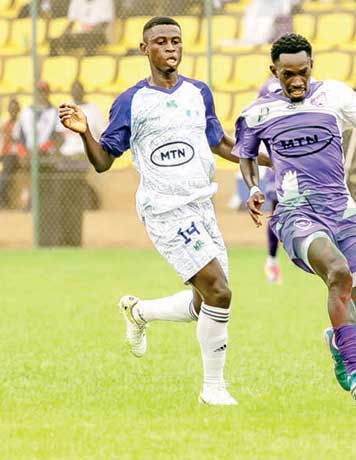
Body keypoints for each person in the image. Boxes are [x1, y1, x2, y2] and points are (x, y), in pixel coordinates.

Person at [58, 16, 258, 406]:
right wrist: (85, 133)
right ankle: (213, 389)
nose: (170, 48)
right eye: (161, 41)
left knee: (205, 302)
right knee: (219, 291)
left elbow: (220, 143)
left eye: (176, 41)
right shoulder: (131, 102)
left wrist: (268, 159)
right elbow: (103, 162)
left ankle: (140, 313)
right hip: (165, 210)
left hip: (201, 206)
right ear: (144, 49)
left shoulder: (198, 92)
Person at [235, 33, 356, 406]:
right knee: (337, 272)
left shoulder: (335, 95)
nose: (297, 81)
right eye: (288, 74)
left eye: (303, 72)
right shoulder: (257, 113)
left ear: (312, 66)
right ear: (274, 71)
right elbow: (245, 154)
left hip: (343, 213)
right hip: (297, 214)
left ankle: (338, 339)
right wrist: (254, 187)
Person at [56, 81, 103, 210]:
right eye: (74, 89)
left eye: (79, 89)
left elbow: (102, 134)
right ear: (70, 92)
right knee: (60, 172)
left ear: (83, 91)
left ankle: (85, 202)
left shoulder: (93, 110)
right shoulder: (65, 108)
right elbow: (59, 135)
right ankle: (67, 204)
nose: (76, 92)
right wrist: (57, 151)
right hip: (66, 154)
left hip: (85, 153)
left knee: (75, 174)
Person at [49, 0, 114, 56]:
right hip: (80, 35)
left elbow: (105, 24)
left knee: (90, 38)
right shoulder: (76, 1)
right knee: (54, 41)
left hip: (99, 34)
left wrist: (91, 31)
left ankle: (88, 59)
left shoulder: (105, 1)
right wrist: (65, 34)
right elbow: (71, 22)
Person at [0, 98, 24, 209]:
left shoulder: (21, 124)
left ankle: (3, 202)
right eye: (11, 108)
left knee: (6, 171)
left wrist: (10, 137)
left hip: (16, 155)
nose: (13, 110)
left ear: (18, 110)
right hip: (4, 154)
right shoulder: (5, 123)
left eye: (15, 108)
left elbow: (20, 141)